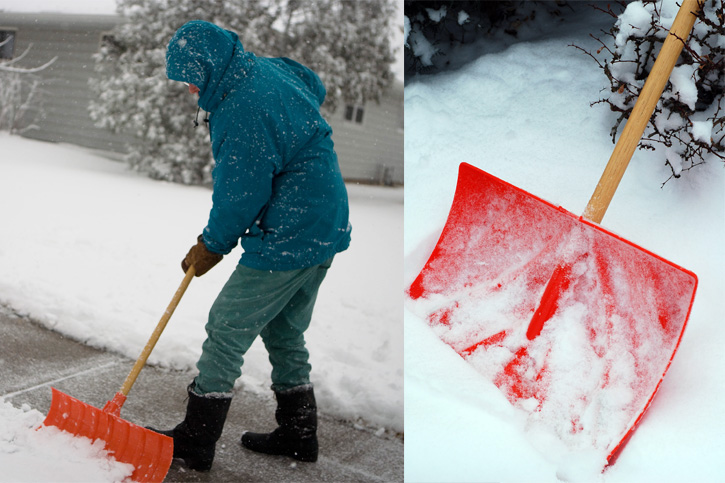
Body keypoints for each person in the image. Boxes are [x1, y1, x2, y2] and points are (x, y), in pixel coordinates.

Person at [151, 20, 351, 472]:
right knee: (283, 331)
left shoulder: (240, 107)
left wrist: (212, 244)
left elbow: (241, 190)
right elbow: (309, 83)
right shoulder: (260, 71)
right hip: (326, 222)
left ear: (208, 67)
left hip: (291, 231)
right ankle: (299, 433)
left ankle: (196, 441)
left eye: (191, 79)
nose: (189, 90)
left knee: (226, 327)